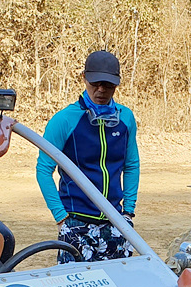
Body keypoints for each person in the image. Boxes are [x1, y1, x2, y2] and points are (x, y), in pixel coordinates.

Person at [36, 50, 140, 263]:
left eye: (108, 84)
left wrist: (128, 212)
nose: (101, 90)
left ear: (117, 84)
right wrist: (61, 218)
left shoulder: (126, 118)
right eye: (95, 83)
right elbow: (44, 169)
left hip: (116, 221)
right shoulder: (64, 120)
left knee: (120, 282)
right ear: (84, 78)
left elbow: (131, 164)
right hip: (76, 222)